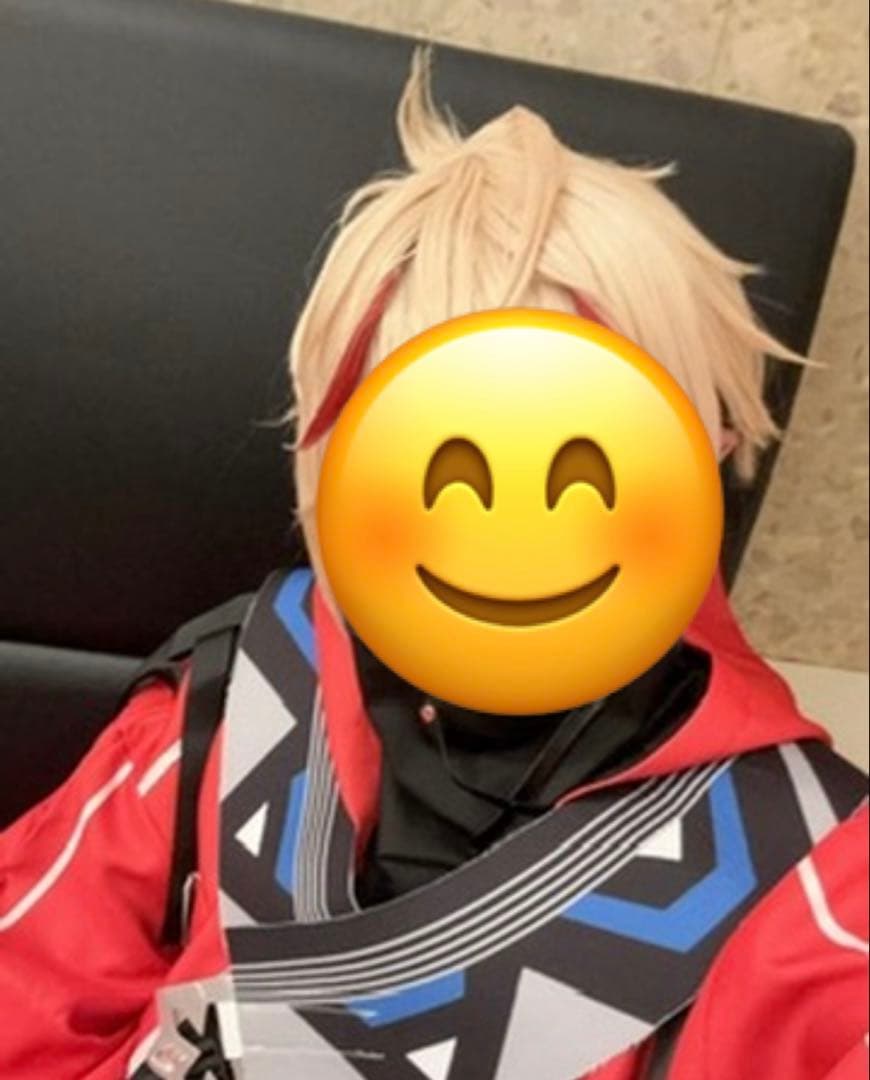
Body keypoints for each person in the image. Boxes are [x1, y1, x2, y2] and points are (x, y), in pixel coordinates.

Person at [1, 51, 866, 1080]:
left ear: (704, 456)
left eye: (583, 464)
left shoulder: (814, 883)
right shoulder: (224, 713)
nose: (507, 528)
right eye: (438, 468)